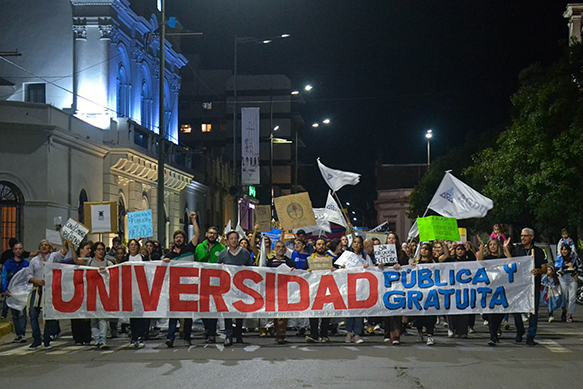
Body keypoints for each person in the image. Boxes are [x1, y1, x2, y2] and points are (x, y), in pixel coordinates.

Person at [504, 228, 547, 346]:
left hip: (533, 286)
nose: (522, 238)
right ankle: (520, 330)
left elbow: (544, 268)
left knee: (533, 311)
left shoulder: (538, 251)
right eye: (522, 236)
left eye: (525, 236)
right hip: (520, 286)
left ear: (531, 237)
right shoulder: (517, 251)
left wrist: (538, 270)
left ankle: (531, 336)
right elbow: (510, 263)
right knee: (517, 309)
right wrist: (505, 249)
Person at [163, 212, 201, 347]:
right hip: (175, 288)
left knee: (188, 315)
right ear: (174, 240)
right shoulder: (169, 255)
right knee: (173, 314)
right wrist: (164, 262)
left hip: (189, 286)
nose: (179, 239)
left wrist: (194, 220)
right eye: (176, 237)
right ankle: (170, 337)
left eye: (181, 237)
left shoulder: (189, 249)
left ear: (184, 239)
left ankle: (187, 337)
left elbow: (197, 235)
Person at [27, 239, 69, 350]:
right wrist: (36, 281)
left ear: (50, 248)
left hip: (49, 290)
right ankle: (36, 339)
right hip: (37, 290)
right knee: (33, 314)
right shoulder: (34, 261)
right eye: (42, 245)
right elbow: (28, 275)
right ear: (39, 248)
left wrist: (66, 242)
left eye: (46, 245)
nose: (44, 247)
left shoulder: (53, 256)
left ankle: (47, 339)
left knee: (49, 316)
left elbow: (64, 251)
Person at [72, 241, 114, 349]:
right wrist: (72, 248)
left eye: (102, 249)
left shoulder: (108, 263)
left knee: (103, 318)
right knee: (93, 319)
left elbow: (114, 273)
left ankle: (103, 339)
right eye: (99, 249)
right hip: (91, 294)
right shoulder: (89, 262)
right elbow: (76, 260)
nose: (101, 251)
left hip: (103, 295)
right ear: (94, 251)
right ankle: (96, 340)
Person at [218, 230, 254, 346]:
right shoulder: (223, 254)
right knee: (228, 311)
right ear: (227, 241)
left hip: (241, 288)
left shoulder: (245, 253)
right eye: (231, 238)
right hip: (228, 288)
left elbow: (252, 269)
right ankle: (229, 335)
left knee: (240, 311)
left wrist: (246, 269)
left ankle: (238, 334)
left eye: (235, 238)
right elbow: (217, 270)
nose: (234, 240)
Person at [195, 225, 225, 343]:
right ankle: (207, 327)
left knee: (213, 308)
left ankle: (212, 333)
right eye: (210, 233)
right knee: (202, 307)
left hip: (215, 283)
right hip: (201, 281)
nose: (212, 235)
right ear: (206, 234)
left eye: (214, 233)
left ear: (217, 236)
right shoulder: (199, 247)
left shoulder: (222, 248)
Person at [119, 239, 150, 348]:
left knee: (141, 314)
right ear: (128, 247)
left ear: (138, 247)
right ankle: (134, 337)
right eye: (131, 245)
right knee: (133, 315)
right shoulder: (125, 259)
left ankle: (141, 337)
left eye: (135, 245)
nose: (133, 247)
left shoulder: (144, 258)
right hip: (130, 290)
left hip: (141, 289)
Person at [304, 238, 336, 343]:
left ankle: (324, 335)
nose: (321, 246)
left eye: (322, 244)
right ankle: (314, 334)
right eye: (318, 244)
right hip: (313, 289)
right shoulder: (309, 260)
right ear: (315, 247)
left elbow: (339, 273)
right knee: (313, 313)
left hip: (327, 289)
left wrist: (335, 270)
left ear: (325, 246)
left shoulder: (331, 260)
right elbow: (303, 274)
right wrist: (307, 271)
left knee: (326, 312)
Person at [266, 240, 297, 344]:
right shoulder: (270, 262)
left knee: (283, 314)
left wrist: (294, 271)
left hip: (285, 292)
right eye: (278, 247)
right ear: (275, 249)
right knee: (276, 314)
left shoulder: (289, 262)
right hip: (273, 291)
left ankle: (281, 334)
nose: (280, 249)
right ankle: (277, 331)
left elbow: (298, 275)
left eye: (282, 247)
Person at [1, 242, 30, 343]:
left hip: (23, 293)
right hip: (11, 293)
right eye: (16, 249)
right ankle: (18, 334)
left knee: (22, 313)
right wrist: (5, 290)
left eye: (20, 249)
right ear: (13, 251)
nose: (18, 251)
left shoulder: (26, 264)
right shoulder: (8, 264)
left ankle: (22, 334)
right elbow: (4, 277)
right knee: (15, 314)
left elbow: (29, 277)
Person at [413, 242, 437, 346]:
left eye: (426, 249)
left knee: (430, 315)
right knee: (418, 314)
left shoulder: (433, 262)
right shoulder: (416, 262)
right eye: (422, 249)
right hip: (419, 293)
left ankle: (430, 335)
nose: (424, 251)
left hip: (430, 292)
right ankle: (419, 332)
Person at [70, 242, 93, 345]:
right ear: (81, 250)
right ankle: (78, 338)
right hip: (76, 290)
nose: (89, 251)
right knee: (76, 315)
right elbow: (75, 260)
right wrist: (71, 248)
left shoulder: (91, 261)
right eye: (87, 248)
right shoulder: (72, 261)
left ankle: (86, 337)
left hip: (87, 290)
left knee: (86, 315)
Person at [555, 243, 582, 322]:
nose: (564, 251)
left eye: (565, 249)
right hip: (563, 278)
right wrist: (566, 265)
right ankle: (564, 311)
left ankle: (570, 315)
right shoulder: (559, 258)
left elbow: (580, 267)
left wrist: (577, 273)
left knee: (572, 298)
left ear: (569, 250)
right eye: (562, 249)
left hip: (572, 277)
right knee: (564, 297)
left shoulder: (575, 257)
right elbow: (556, 267)